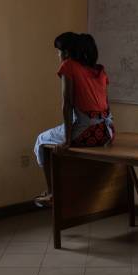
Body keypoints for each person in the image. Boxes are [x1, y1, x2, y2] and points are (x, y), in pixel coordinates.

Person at [33, 32, 114, 207]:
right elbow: (106, 105)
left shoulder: (68, 66)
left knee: (41, 140)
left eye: (59, 51)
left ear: (67, 53)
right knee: (59, 145)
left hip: (85, 133)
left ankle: (52, 194)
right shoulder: (99, 70)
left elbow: (67, 104)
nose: (58, 55)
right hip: (105, 132)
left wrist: (68, 140)